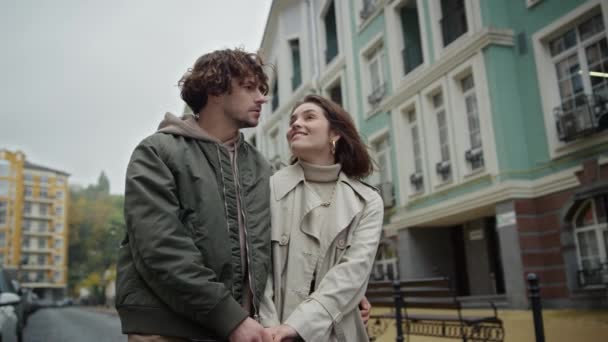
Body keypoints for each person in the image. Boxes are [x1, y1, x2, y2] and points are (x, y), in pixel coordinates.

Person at [115, 48, 274, 342]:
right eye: (250, 88)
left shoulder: (262, 167)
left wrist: (339, 300)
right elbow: (159, 247)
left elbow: (282, 247)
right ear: (215, 91)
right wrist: (229, 317)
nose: (262, 98)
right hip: (167, 329)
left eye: (262, 89)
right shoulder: (157, 152)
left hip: (243, 330)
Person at [259, 95, 384, 341]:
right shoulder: (268, 188)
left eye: (309, 117)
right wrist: (271, 328)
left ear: (334, 133)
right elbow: (257, 267)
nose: (295, 123)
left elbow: (352, 274)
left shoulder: (368, 201)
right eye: (293, 119)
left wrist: (296, 327)